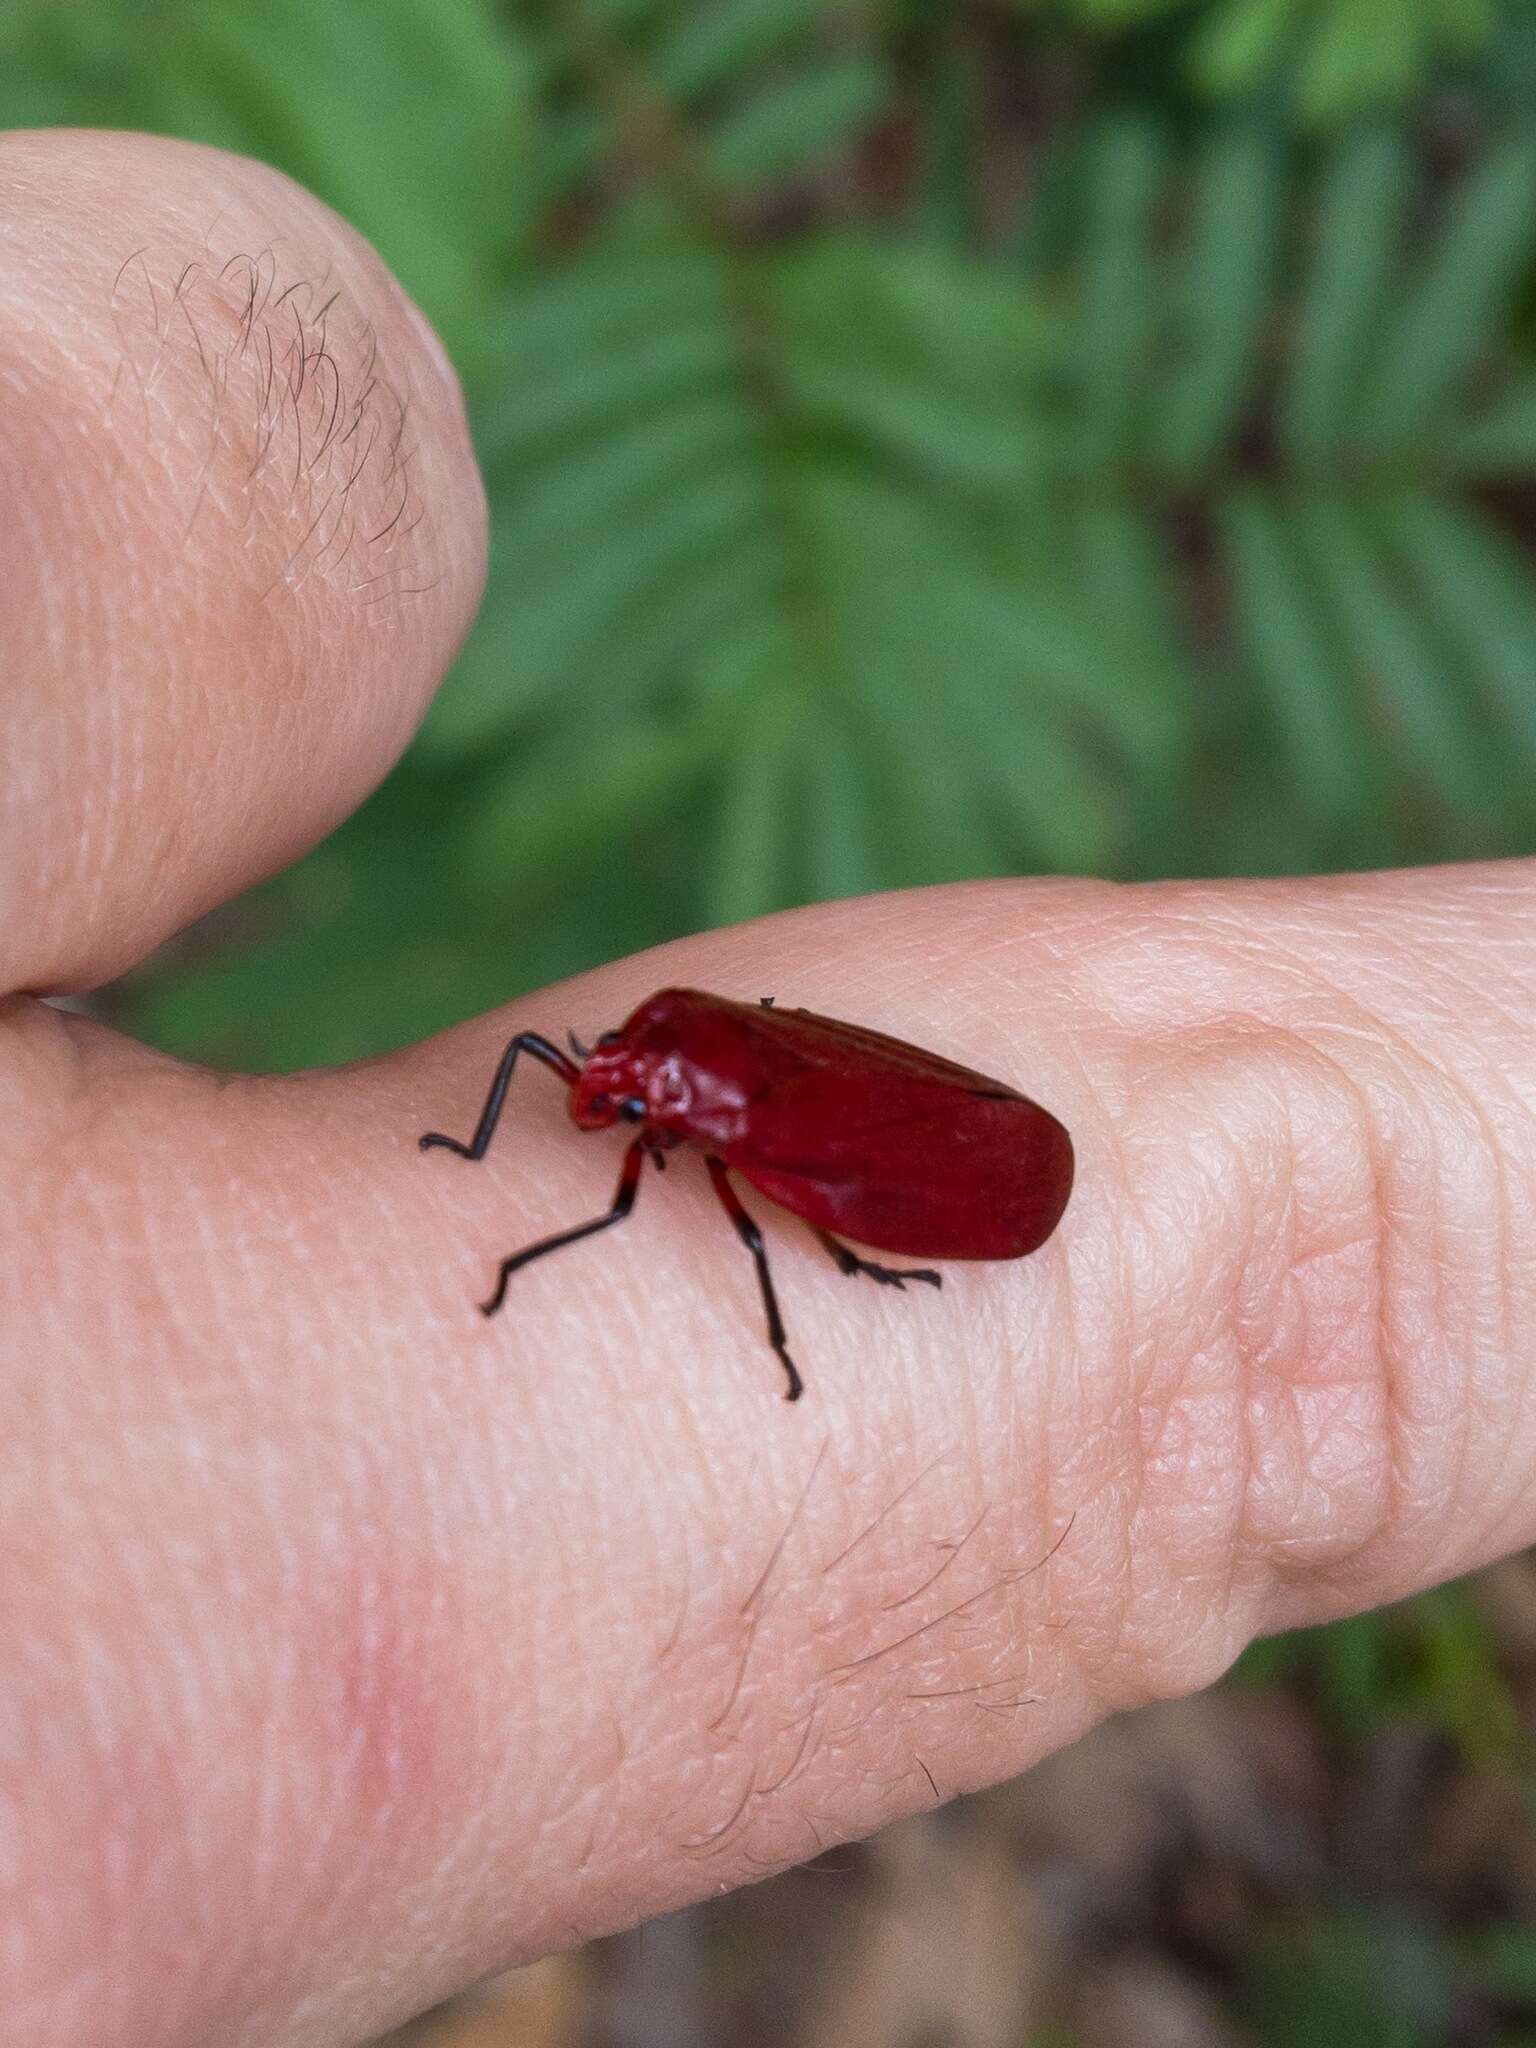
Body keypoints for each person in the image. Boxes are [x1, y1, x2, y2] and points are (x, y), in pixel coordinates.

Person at [4, 128, 1534, 2048]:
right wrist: (522, 1134)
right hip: (822, 1087)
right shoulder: (650, 1063)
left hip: (874, 1132)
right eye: (621, 1085)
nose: (604, 1092)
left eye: (634, 1090)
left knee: (779, 1229)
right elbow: (577, 1091)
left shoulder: (706, 1142)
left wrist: (574, 1273)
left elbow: (717, 1205)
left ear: (673, 1098)